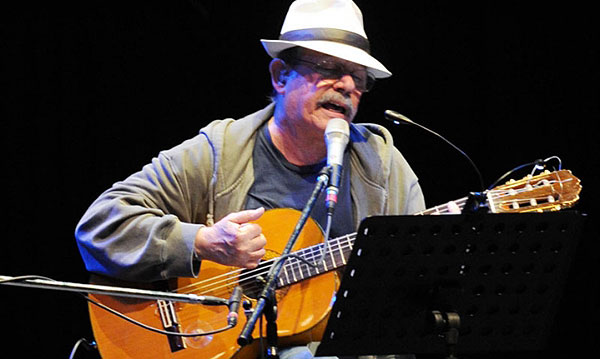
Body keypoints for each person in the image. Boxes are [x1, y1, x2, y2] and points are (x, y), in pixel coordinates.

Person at [76, 1, 425, 358]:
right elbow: (100, 226)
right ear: (280, 75)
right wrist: (201, 242)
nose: (347, 85)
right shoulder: (219, 153)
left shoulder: (383, 166)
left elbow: (425, 273)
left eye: (359, 76)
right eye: (329, 67)